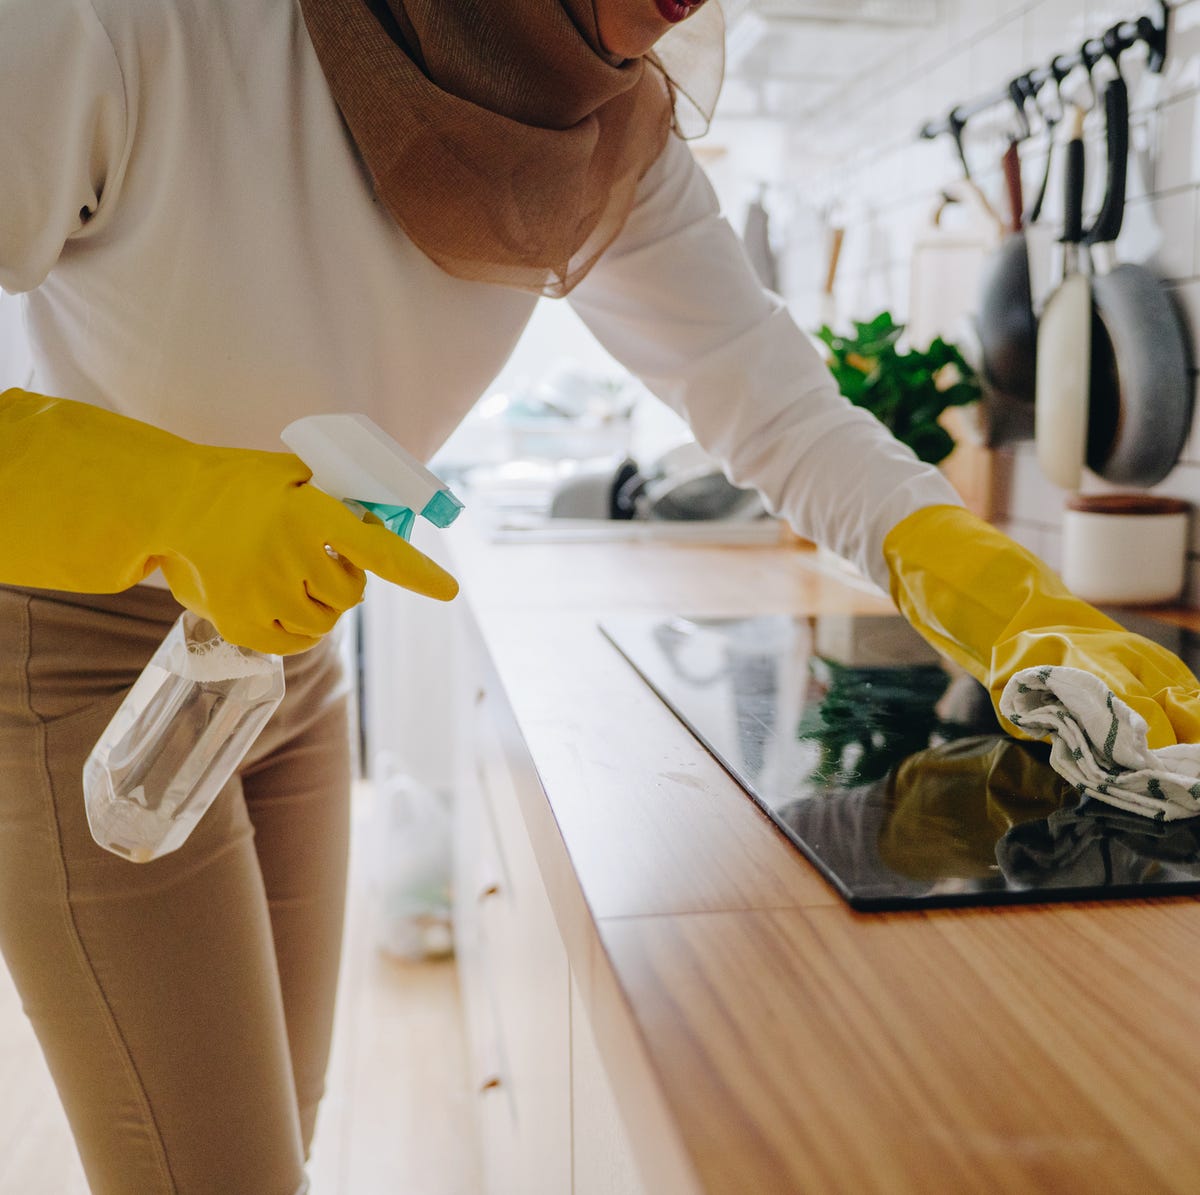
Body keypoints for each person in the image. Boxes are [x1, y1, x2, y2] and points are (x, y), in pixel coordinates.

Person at [2, 2, 1198, 1192]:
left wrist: (1006, 592)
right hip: (72, 656)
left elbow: (779, 409)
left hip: (288, 653)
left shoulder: (602, 123)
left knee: (278, 1130)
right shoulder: (129, 22)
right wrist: (164, 500)